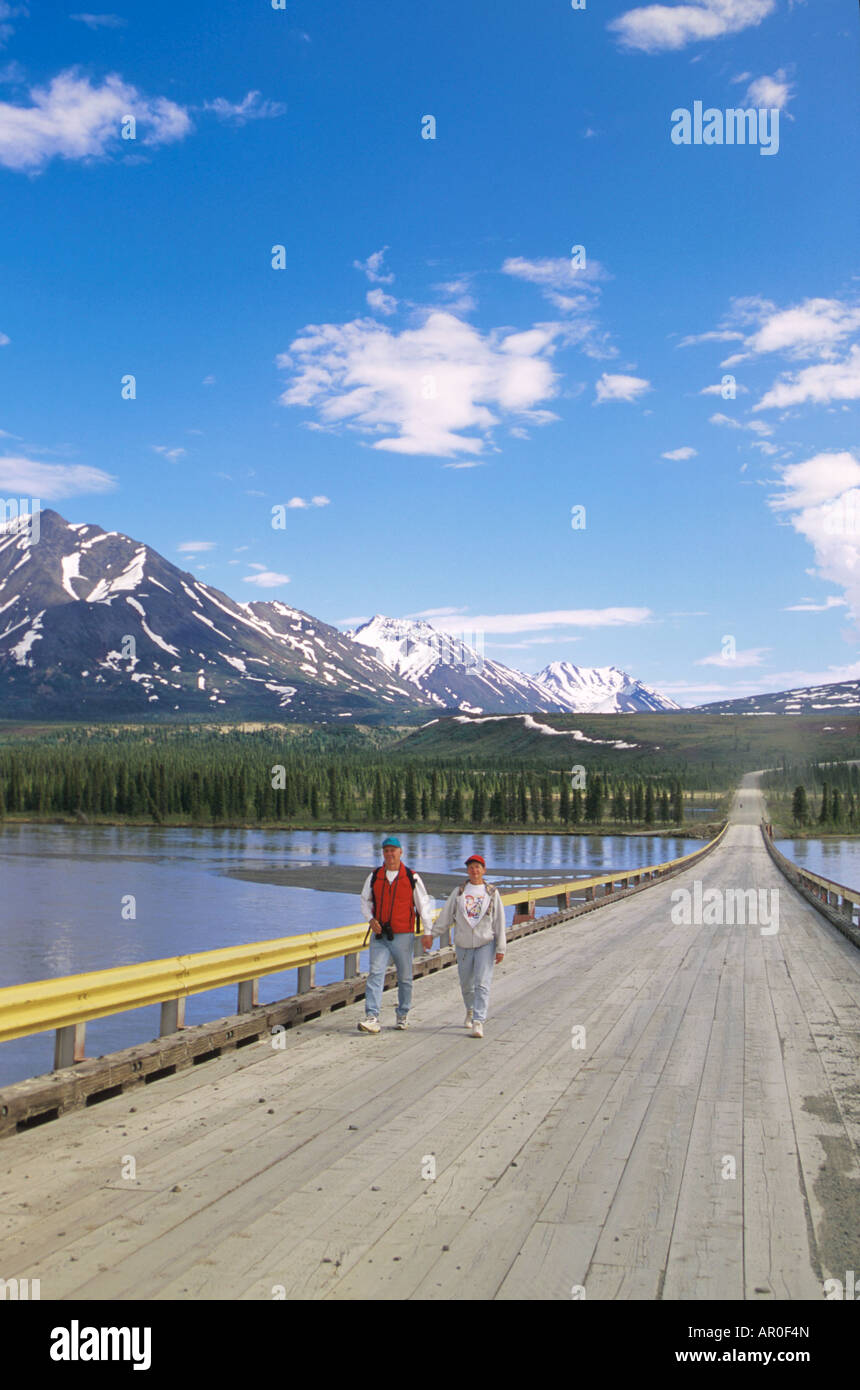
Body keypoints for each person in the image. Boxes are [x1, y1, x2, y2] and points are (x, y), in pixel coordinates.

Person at [358, 835, 435, 1033]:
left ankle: (402, 1015)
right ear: (382, 853)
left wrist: (428, 932)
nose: (390, 854)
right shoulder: (374, 876)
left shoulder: (412, 877)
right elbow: (365, 901)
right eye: (386, 851)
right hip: (380, 935)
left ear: (401, 852)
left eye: (393, 850)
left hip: (403, 935)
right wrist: (370, 919)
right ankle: (372, 1016)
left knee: (405, 977)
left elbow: (423, 905)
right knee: (375, 973)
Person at [423, 853, 505, 1038]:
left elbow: (499, 921)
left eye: (478, 867)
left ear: (483, 870)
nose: (474, 870)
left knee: (482, 983)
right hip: (464, 944)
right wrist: (432, 935)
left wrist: (501, 948)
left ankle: (479, 1021)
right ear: (467, 871)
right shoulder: (459, 892)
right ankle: (470, 1009)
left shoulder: (492, 892)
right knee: (467, 983)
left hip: (486, 942)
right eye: (471, 867)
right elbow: (446, 917)